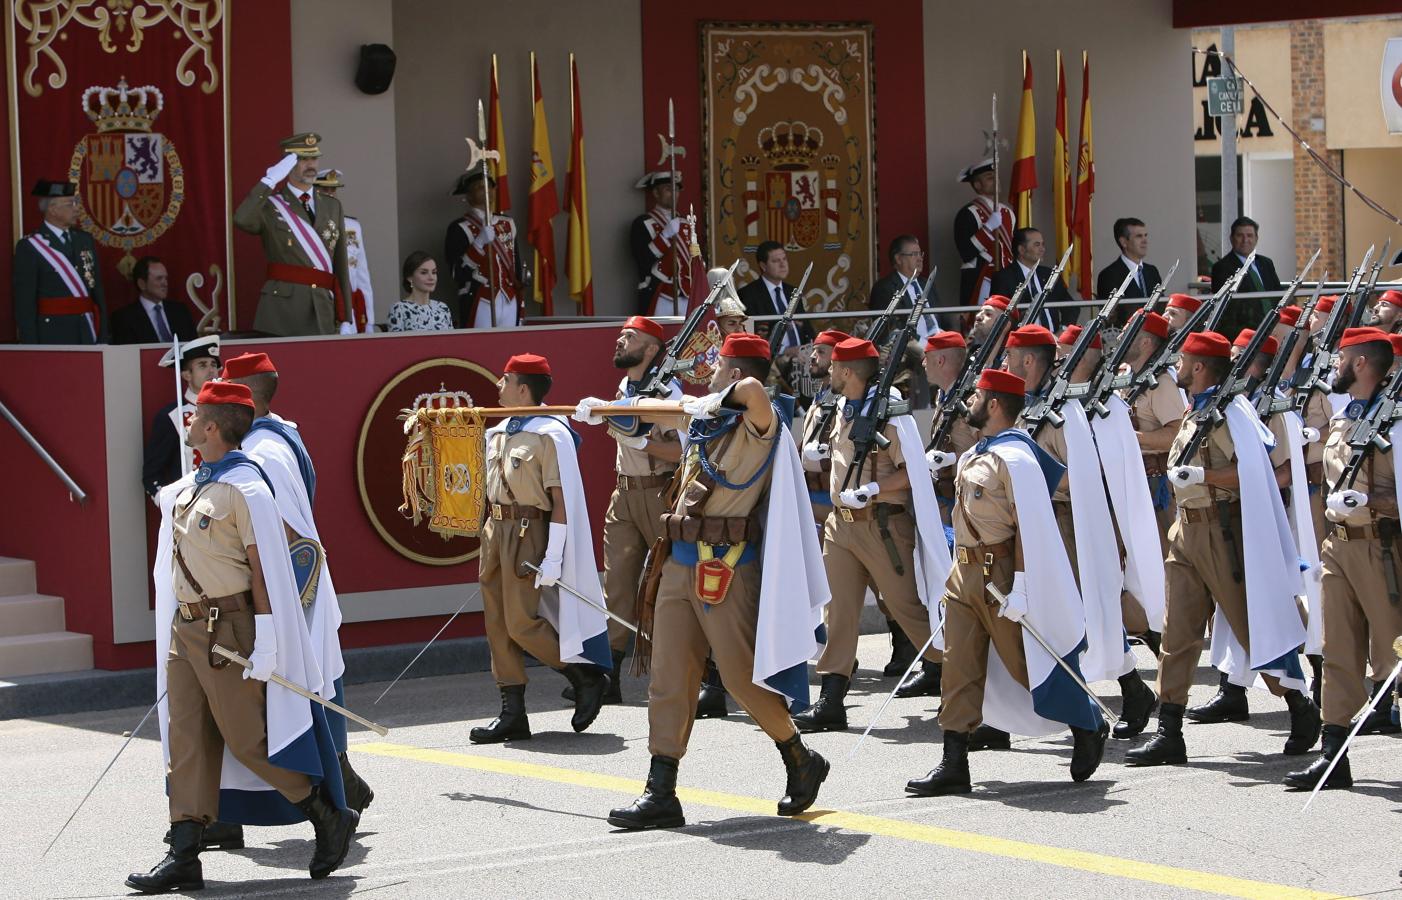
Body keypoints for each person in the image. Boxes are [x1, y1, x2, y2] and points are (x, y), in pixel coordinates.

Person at [132, 381, 357, 893]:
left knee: (247, 737)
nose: (187, 419)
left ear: (212, 427)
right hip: (187, 629)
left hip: (228, 628)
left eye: (195, 415)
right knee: (187, 740)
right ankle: (184, 851)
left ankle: (325, 813)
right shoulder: (193, 484)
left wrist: (269, 644)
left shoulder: (248, 488)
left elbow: (267, 572)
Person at [608, 333, 830, 829]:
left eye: (718, 366)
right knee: (669, 676)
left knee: (738, 676)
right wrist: (604, 409)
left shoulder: (758, 424)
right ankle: (660, 790)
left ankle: (799, 757)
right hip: (679, 562)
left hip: (725, 567)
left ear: (731, 373)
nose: (708, 373)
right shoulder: (706, 424)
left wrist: (712, 397)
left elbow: (753, 390)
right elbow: (650, 412)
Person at [906, 368, 1108, 796]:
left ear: (994, 404)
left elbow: (1030, 531)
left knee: (1025, 662)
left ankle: (1088, 721)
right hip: (964, 573)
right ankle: (954, 761)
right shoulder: (975, 454)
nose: (970, 403)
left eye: (978, 396)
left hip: (1001, 575)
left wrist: (1022, 586)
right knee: (958, 666)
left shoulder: (1016, 458)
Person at [1126, 330, 1320, 767]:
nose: (1176, 366)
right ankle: (1169, 732)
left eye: (1184, 360)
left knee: (1254, 628)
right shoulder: (1200, 411)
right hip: (1186, 532)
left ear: (1198, 367)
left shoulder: (1229, 413)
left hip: (1221, 532)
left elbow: (1251, 472)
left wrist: (1204, 478)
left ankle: (1300, 707)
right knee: (1177, 634)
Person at [220, 351, 373, 814]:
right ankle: (341, 782)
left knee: (291, 695)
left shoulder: (262, 451)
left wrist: (270, 613)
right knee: (313, 687)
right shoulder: (275, 435)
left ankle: (332, 797)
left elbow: (288, 538)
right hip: (294, 591)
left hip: (290, 593)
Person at [794, 337, 948, 732]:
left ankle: (959, 673)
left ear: (847, 372)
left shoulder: (891, 415)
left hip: (882, 526)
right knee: (839, 612)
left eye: (833, 367)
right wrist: (819, 455)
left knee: (907, 608)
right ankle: (831, 700)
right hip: (840, 525)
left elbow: (912, 470)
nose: (827, 372)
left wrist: (876, 489)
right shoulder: (841, 408)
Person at [469, 354, 613, 743]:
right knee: (497, 623)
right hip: (495, 530)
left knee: (521, 622)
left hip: (528, 530)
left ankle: (582, 675)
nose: (499, 385)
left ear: (523, 387)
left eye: (506, 378)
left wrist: (553, 555)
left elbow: (562, 498)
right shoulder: (499, 431)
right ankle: (511, 711)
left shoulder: (551, 433)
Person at [1286, 328, 1401, 792]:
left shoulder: (1394, 422)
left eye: (1341, 359)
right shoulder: (1346, 415)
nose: (1334, 365)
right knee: (1339, 650)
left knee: (1396, 652)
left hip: (1383, 547)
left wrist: (1372, 505)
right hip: (1339, 545)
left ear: (1361, 364)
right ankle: (1334, 757)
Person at [571, 317, 684, 703]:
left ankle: (705, 672)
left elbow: (685, 450)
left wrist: (645, 447)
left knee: (672, 584)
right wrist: (600, 411)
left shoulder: (668, 392)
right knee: (617, 586)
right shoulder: (626, 387)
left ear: (652, 350)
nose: (620, 341)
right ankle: (610, 676)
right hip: (624, 493)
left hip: (658, 493)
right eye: (621, 335)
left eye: (630, 337)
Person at [234, 133, 354, 337]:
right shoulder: (271, 205)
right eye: (302, 159)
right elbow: (242, 220)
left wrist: (346, 317)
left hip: (323, 308)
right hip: (283, 309)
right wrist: (269, 181)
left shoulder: (332, 205)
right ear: (287, 163)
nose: (311, 164)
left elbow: (341, 265)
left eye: (314, 158)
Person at [13, 179, 107, 344]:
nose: (76, 209)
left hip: (87, 330)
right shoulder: (30, 247)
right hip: (53, 334)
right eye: (70, 204)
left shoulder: (85, 240)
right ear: (52, 209)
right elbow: (25, 304)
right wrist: (32, 347)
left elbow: (97, 290)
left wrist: (104, 335)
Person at [142, 336, 221, 500]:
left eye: (214, 364)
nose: (211, 370)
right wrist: (172, 506)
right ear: (186, 374)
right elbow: (152, 475)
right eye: (202, 365)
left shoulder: (230, 411)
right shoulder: (171, 417)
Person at [445, 170, 523, 328]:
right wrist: (478, 243)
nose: (487, 190)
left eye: (490, 186)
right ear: (467, 196)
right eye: (479, 186)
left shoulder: (507, 223)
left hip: (509, 297)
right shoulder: (459, 228)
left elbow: (516, 263)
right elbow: (457, 272)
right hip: (480, 297)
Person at [314, 169, 376, 332]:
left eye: (333, 189)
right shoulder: (308, 225)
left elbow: (363, 274)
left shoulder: (352, 226)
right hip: (322, 307)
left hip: (350, 311)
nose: (330, 194)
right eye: (324, 189)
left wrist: (369, 319)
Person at [631, 172, 694, 317]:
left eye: (676, 189)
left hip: (686, 293)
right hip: (660, 293)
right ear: (656, 193)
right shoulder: (642, 223)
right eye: (668, 189)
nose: (674, 193)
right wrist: (664, 236)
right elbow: (643, 260)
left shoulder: (686, 223)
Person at [952, 159, 1014, 309]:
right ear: (977, 185)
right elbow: (966, 253)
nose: (996, 180)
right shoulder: (968, 213)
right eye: (989, 177)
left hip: (1006, 276)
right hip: (980, 278)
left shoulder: (1008, 212)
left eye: (996, 176)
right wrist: (988, 228)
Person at [1210, 216, 1283, 341]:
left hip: (1274, 327)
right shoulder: (1222, 267)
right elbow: (1228, 310)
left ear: (1256, 239)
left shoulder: (1266, 263)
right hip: (1246, 333)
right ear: (1232, 238)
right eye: (1240, 235)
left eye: (1249, 235)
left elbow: (1278, 294)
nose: (1245, 240)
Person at [737, 241, 815, 352]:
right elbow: (752, 336)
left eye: (784, 259)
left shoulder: (793, 291)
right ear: (763, 266)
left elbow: (807, 329)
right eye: (776, 261)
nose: (782, 265)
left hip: (801, 358)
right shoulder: (748, 294)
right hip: (771, 361)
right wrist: (784, 352)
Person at [989, 228, 1069, 331]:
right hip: (1022, 341)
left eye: (1042, 244)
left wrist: (1063, 330)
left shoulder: (1050, 274)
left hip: (1054, 340)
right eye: (1037, 245)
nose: (1042, 249)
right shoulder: (1004, 277)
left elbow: (1071, 307)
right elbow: (999, 314)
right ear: (1021, 250)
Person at [111, 257, 198, 344]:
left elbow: (194, 346)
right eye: (159, 278)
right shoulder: (124, 318)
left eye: (166, 278)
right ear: (142, 284)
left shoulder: (180, 311)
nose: (165, 283)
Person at [867, 235, 938, 338]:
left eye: (920, 254)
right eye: (914, 254)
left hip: (939, 342)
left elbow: (943, 318)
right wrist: (924, 344)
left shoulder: (927, 283)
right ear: (899, 259)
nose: (920, 259)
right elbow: (890, 330)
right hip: (912, 348)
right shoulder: (884, 289)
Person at [1095, 218, 1163, 325]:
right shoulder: (1108, 275)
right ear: (1123, 242)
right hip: (1125, 336)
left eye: (1146, 235)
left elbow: (1160, 305)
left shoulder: (1152, 271)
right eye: (1139, 236)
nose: (1145, 241)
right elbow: (1112, 316)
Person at [387, 252, 452, 333]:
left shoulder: (442, 308)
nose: (431, 277)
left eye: (434, 272)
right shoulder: (399, 309)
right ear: (410, 277)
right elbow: (395, 344)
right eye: (424, 272)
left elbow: (451, 342)